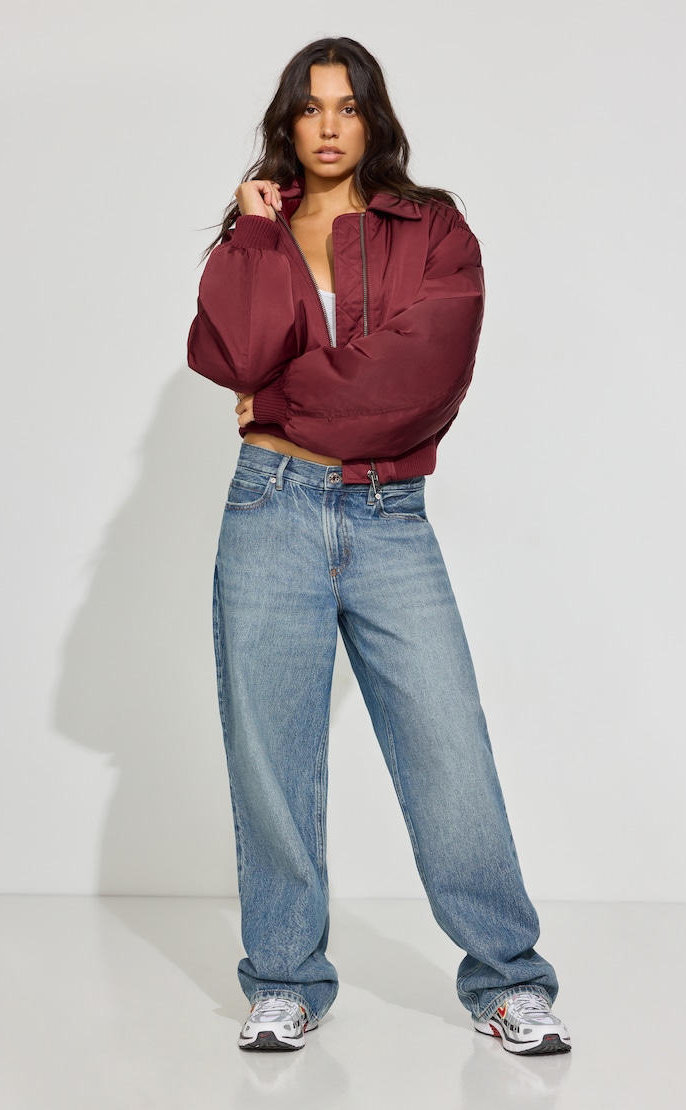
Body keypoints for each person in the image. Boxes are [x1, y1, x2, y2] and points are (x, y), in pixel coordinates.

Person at [187, 37, 571, 1057]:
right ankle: (284, 981)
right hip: (267, 511)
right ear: (287, 119)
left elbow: (418, 377)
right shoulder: (257, 228)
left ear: (374, 119)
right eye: (310, 106)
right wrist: (253, 236)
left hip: (388, 516)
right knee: (272, 761)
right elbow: (230, 350)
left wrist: (275, 400)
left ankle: (507, 980)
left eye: (347, 107)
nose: (327, 126)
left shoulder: (432, 228)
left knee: (448, 749)